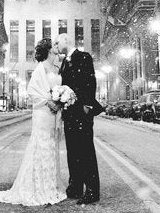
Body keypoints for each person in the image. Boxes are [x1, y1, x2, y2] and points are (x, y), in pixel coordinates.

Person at [0, 38, 67, 206]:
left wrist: (61, 99)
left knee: (51, 146)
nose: (58, 47)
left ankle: (49, 184)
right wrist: (48, 101)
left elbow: (56, 88)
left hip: (54, 113)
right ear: (49, 50)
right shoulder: (40, 68)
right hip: (43, 112)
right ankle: (36, 185)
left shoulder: (56, 67)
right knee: (41, 145)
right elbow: (32, 91)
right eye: (55, 45)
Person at [54, 32, 104, 205]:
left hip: (81, 114)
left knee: (86, 152)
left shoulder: (83, 56)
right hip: (69, 114)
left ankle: (92, 190)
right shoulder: (64, 63)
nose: (55, 45)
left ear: (66, 41)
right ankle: (75, 186)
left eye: (57, 42)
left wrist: (87, 106)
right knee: (73, 151)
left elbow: (90, 82)